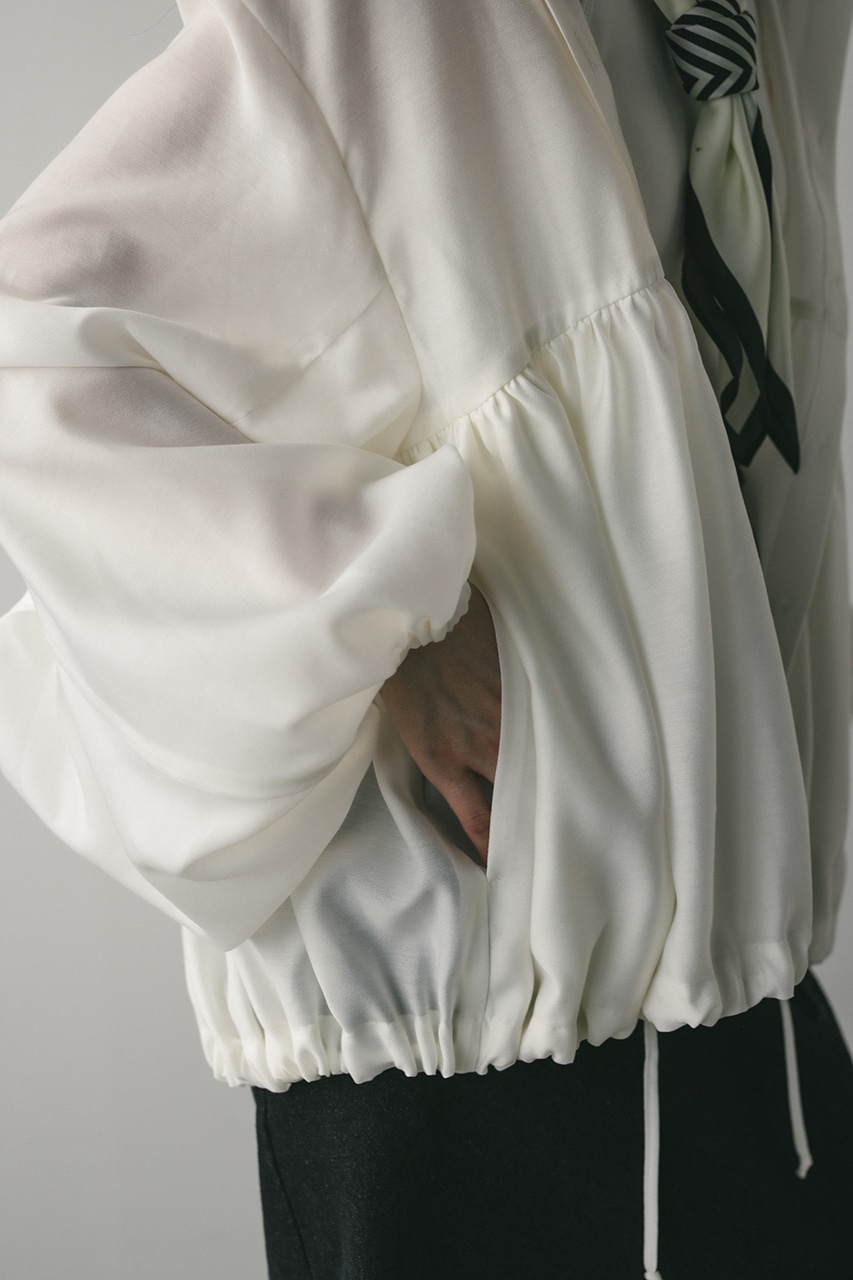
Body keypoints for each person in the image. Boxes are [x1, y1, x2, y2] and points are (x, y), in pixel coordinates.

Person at [0, 1, 852, 1275]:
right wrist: (386, 620)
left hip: (742, 1011)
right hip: (462, 1061)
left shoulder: (760, 26)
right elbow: (28, 349)